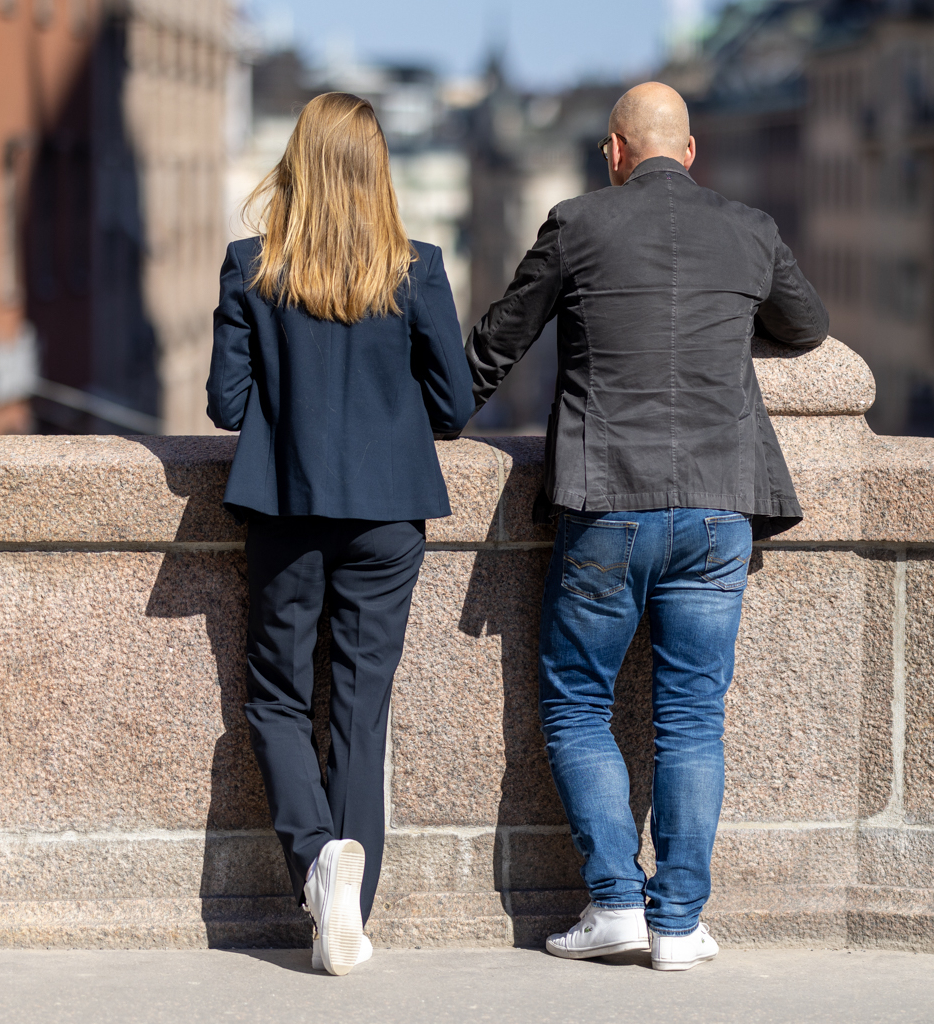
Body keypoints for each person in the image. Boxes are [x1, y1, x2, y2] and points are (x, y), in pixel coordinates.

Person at [464, 82, 828, 970]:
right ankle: (678, 924)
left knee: (579, 701)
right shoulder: (749, 229)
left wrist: (420, 419)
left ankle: (616, 904)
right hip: (716, 508)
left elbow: (498, 343)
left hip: (607, 505)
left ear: (615, 153)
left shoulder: (578, 223)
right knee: (693, 718)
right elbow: (808, 328)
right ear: (690, 152)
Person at [206, 92, 475, 975]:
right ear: (378, 171)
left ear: (296, 166)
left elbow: (225, 404)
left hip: (287, 508)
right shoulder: (418, 267)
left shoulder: (252, 267)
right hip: (389, 512)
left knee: (277, 699)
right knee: (361, 708)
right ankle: (346, 904)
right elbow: (455, 406)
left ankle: (320, 860)